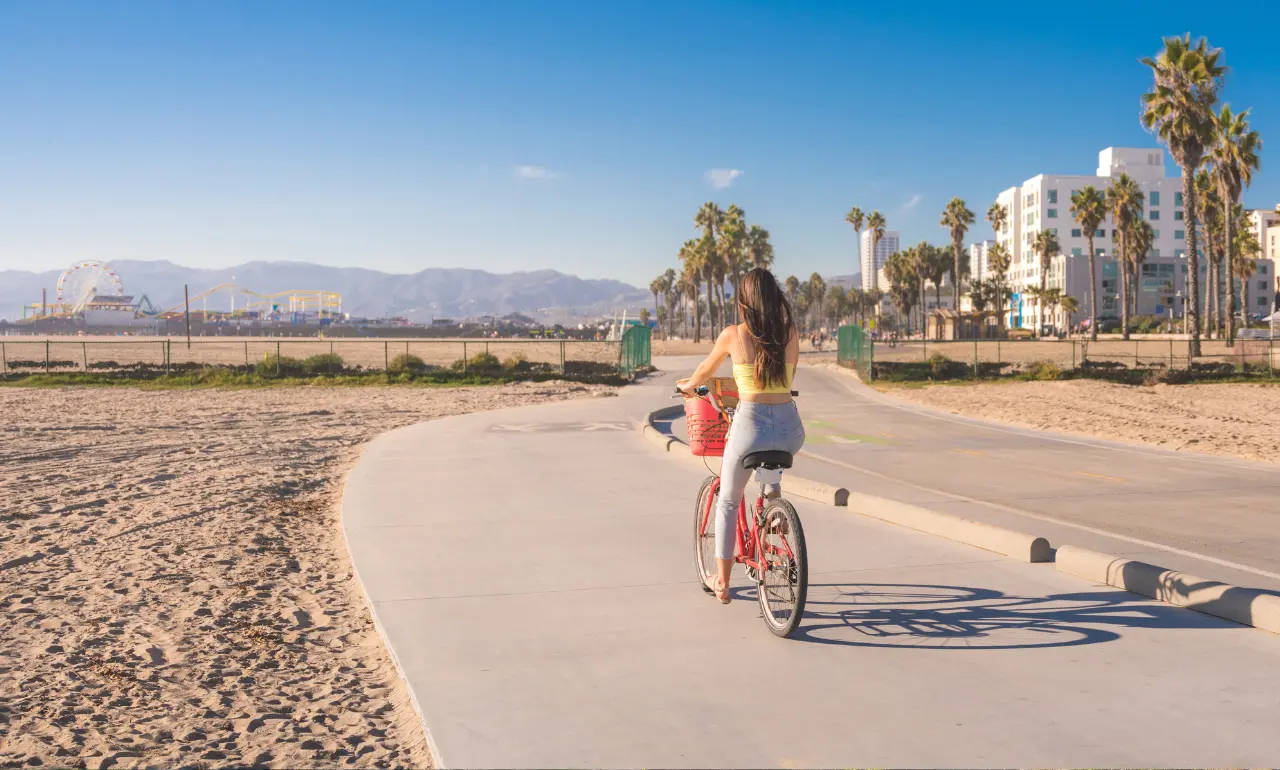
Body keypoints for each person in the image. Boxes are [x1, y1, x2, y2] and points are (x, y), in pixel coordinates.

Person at [676, 268, 804, 604]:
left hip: (751, 425)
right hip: (791, 429)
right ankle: (775, 525)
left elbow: (705, 369)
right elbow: (786, 377)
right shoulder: (790, 333)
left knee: (730, 499)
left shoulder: (734, 335)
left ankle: (722, 580)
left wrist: (688, 387)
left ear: (744, 302)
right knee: (771, 476)